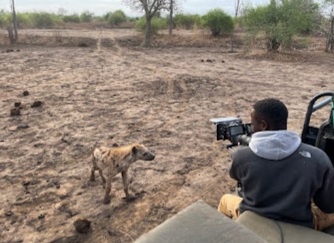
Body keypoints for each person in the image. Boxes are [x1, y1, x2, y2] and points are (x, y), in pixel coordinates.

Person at [218, 98, 334, 231]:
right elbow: (328, 206)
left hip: (253, 216)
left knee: (225, 200)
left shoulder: (241, 156)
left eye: (252, 124)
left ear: (263, 125)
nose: (251, 128)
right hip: (300, 224)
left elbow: (236, 176)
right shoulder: (318, 158)